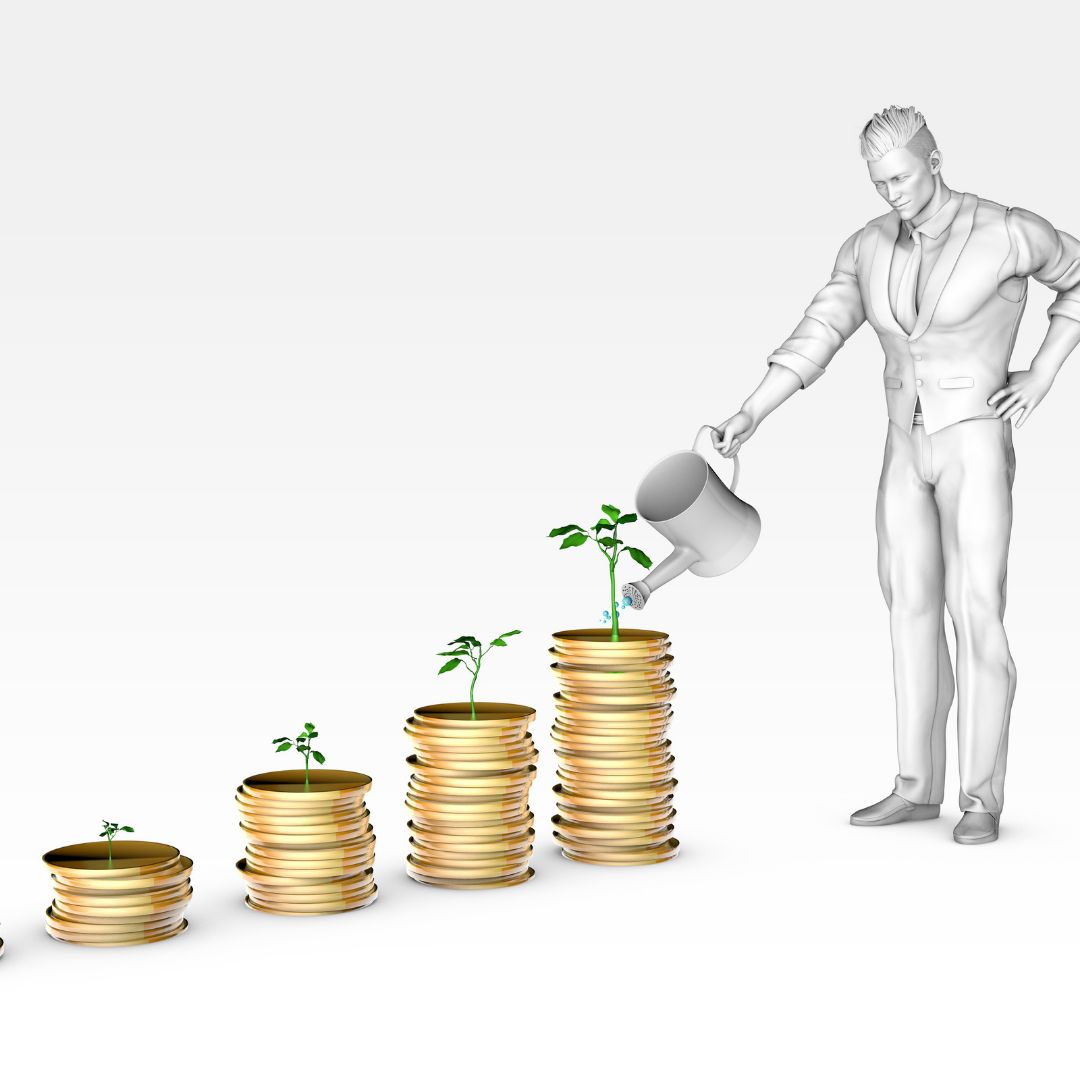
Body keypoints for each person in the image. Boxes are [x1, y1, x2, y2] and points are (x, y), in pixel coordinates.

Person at [712, 105, 1080, 844]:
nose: (892, 195)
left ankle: (982, 796)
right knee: (906, 608)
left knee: (976, 611)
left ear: (934, 160)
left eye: (902, 177)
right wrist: (754, 411)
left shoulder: (1008, 228)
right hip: (901, 450)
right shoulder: (867, 246)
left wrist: (1042, 371)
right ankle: (916, 785)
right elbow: (820, 329)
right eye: (880, 183)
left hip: (974, 439)